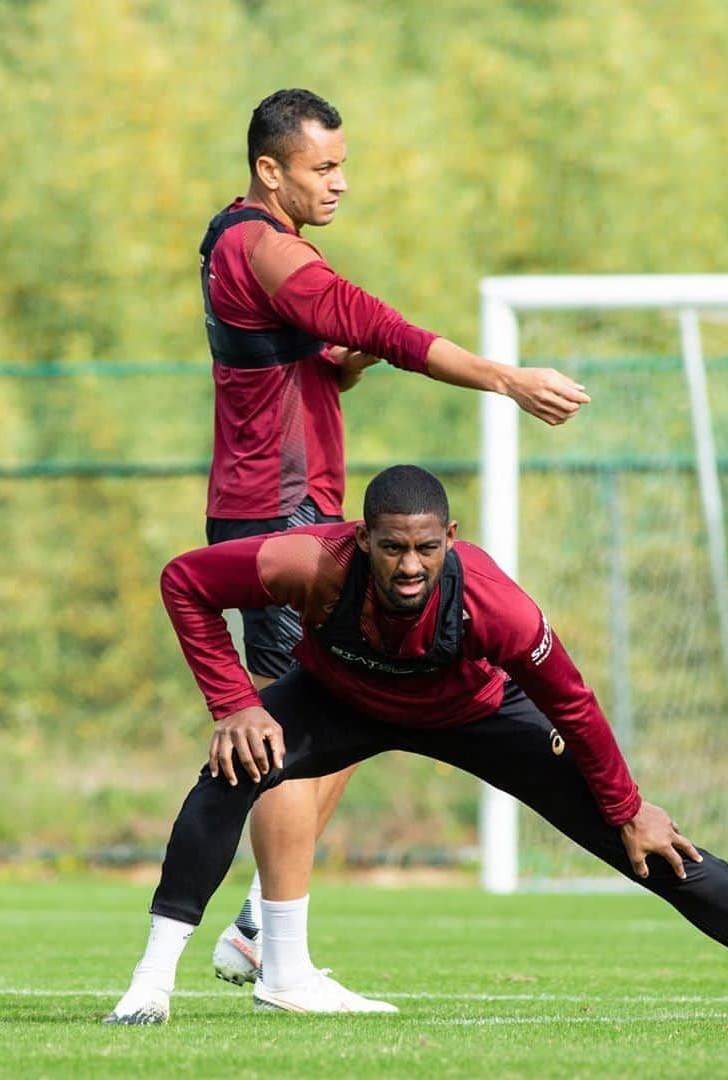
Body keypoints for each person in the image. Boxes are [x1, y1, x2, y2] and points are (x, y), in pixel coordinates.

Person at [105, 465, 728, 1024]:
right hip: (338, 699)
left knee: (647, 843)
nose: (410, 565)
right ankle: (149, 985)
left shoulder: (501, 609)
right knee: (227, 774)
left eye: (427, 546)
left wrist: (629, 808)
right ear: (362, 539)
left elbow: (574, 705)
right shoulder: (307, 563)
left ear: (451, 537)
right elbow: (185, 581)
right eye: (392, 547)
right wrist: (235, 703)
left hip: (474, 714)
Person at [196, 87, 590, 995]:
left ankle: (262, 923)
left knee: (355, 712)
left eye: (342, 163)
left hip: (297, 504)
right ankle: (276, 958)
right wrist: (505, 378)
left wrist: (335, 366)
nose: (339, 181)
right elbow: (383, 325)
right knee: (300, 727)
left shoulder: (250, 243)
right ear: (269, 169)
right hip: (276, 515)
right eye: (321, 167)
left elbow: (321, 357)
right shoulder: (263, 246)